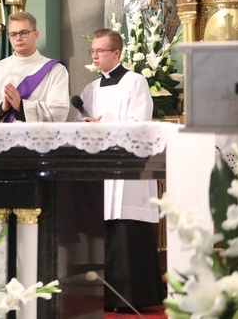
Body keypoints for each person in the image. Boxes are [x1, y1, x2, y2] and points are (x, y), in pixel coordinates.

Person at [77, 29, 164, 312]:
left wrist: (106, 122)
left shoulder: (135, 82)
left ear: (116, 53)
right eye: (93, 52)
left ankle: (133, 296)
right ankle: (104, 296)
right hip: (100, 167)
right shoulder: (90, 89)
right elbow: (81, 123)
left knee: (127, 230)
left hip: (127, 168)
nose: (95, 56)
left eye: (100, 51)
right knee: (103, 229)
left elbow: (141, 122)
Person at [0, 12, 69, 123]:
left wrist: (21, 105)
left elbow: (58, 112)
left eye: (24, 33)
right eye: (13, 34)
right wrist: (1, 107)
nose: (18, 38)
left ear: (36, 35)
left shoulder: (55, 70)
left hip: (39, 138)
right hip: (2, 138)